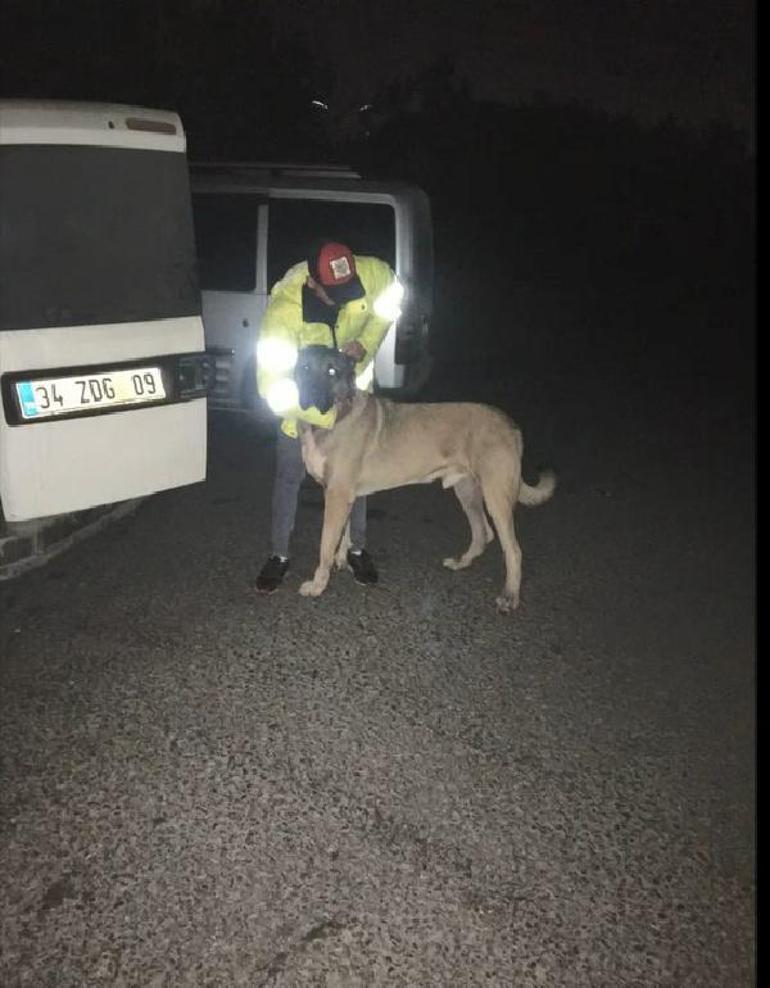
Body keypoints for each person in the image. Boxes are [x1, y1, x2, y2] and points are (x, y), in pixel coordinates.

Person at [255, 239, 403, 594]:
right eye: (332, 294)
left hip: (354, 401)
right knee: (289, 474)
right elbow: (271, 386)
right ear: (312, 283)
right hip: (302, 407)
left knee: (355, 477)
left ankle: (355, 549)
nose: (341, 300)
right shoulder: (285, 311)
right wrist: (324, 416)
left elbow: (391, 301)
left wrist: (366, 342)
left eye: (347, 291)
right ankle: (279, 555)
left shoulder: (373, 273)